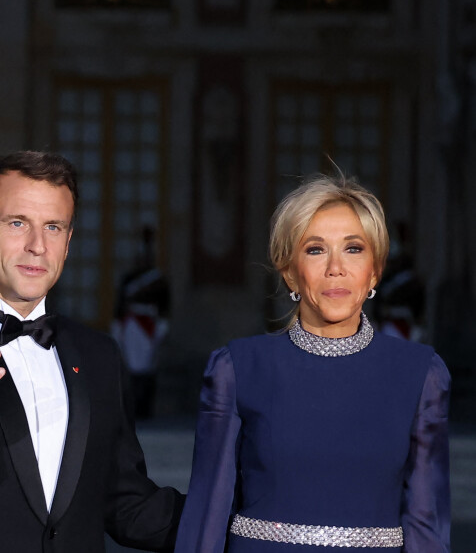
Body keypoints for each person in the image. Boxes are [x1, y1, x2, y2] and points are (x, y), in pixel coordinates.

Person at [0, 151, 184, 553]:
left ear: (67, 243)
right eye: (18, 223)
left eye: (53, 227)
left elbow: (127, 504)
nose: (37, 246)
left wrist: (241, 522)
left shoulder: (100, 355)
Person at [175, 174, 450, 552]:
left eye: (353, 249)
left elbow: (427, 525)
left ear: (375, 269)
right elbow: (207, 516)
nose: (335, 267)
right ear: (290, 271)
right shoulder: (237, 369)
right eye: (316, 249)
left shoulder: (420, 374)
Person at [112, 225, 170, 419]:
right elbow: (120, 304)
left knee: (148, 368)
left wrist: (162, 327)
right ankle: (132, 408)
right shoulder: (129, 279)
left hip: (150, 327)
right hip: (132, 327)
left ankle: (146, 409)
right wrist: (118, 326)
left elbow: (165, 305)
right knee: (132, 367)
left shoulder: (158, 280)